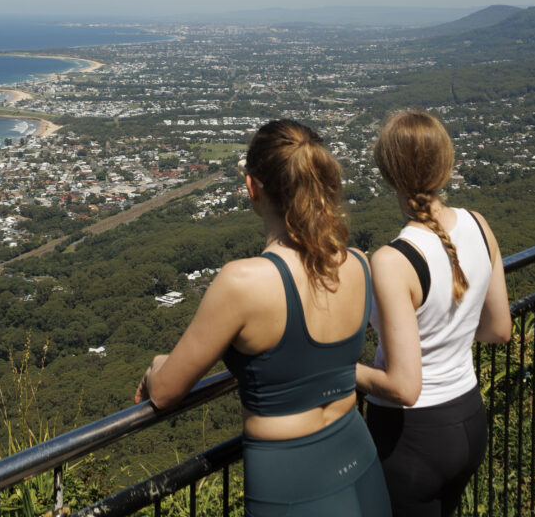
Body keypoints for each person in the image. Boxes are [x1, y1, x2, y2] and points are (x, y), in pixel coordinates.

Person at [135, 119, 389, 516]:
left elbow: (166, 392)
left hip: (289, 486)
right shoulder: (357, 263)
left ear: (252, 187)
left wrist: (155, 368)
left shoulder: (242, 282)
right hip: (362, 463)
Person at [356, 109, 511, 517]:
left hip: (411, 440)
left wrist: (335, 371)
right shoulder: (479, 225)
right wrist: (449, 330)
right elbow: (498, 330)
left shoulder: (393, 259)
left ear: (387, 172)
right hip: (469, 418)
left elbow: (404, 387)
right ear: (447, 163)